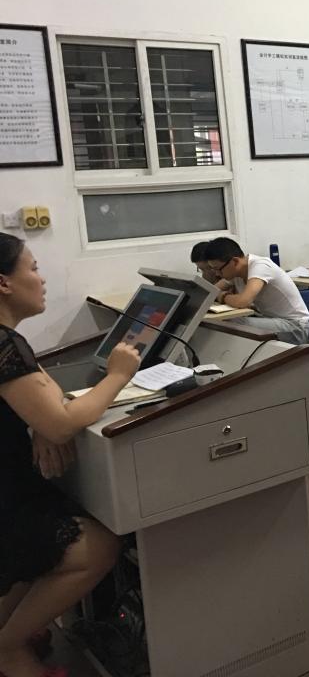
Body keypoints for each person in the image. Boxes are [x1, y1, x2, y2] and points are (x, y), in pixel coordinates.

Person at [0, 233, 137, 677]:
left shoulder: (9, 340)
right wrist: (118, 375)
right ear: (4, 283)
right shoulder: (4, 345)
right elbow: (61, 422)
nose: (41, 279)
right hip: (8, 502)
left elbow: (47, 395)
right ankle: (9, 649)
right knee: (99, 546)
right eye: (33, 268)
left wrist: (43, 421)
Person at [204, 238, 309, 345]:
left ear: (235, 262)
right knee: (226, 321)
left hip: (295, 327)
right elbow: (210, 291)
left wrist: (223, 296)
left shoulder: (260, 266)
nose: (217, 274)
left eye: (218, 269)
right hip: (270, 319)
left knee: (232, 323)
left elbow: (243, 301)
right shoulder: (235, 272)